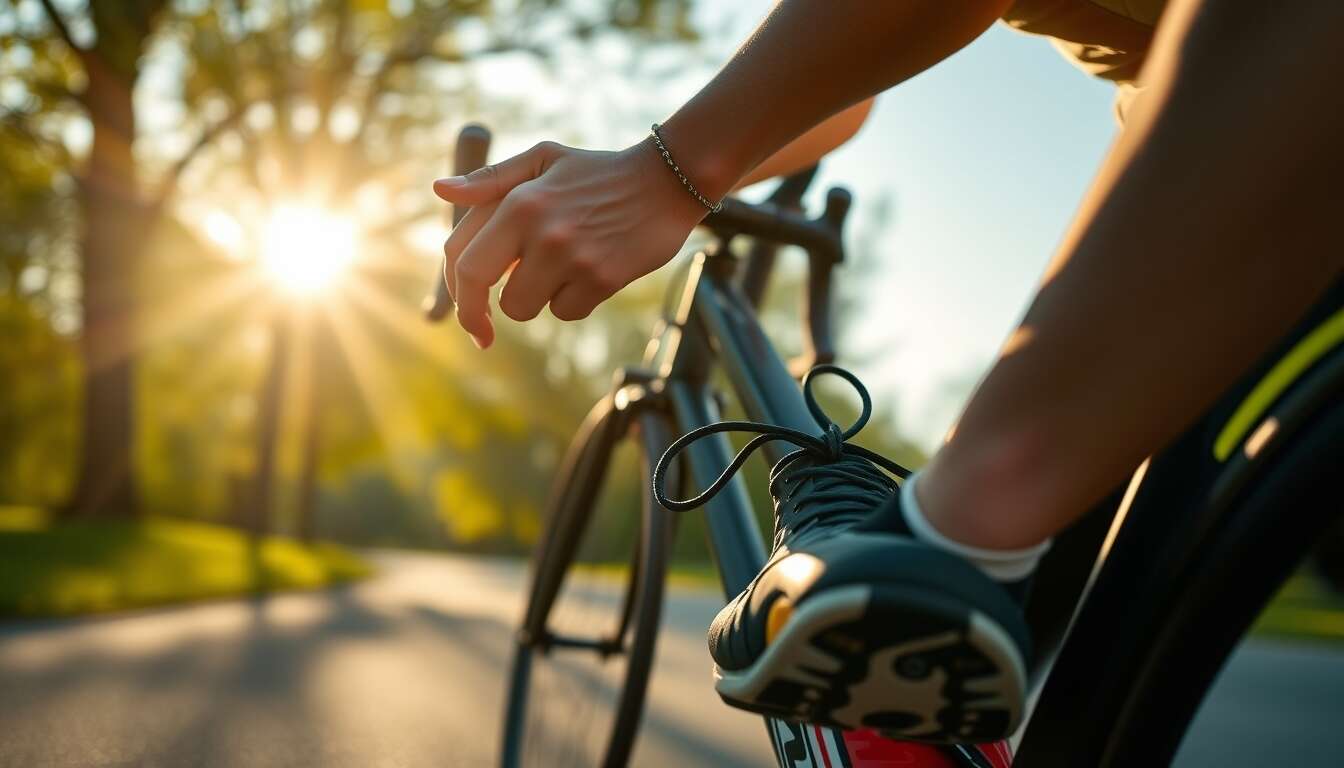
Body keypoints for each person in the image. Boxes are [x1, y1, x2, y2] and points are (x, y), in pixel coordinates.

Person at [432, 0, 1344, 750]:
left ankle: (956, 531)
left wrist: (667, 173)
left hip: (1269, 138)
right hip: (1249, 177)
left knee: (934, 577)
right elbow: (843, 89)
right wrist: (649, 165)